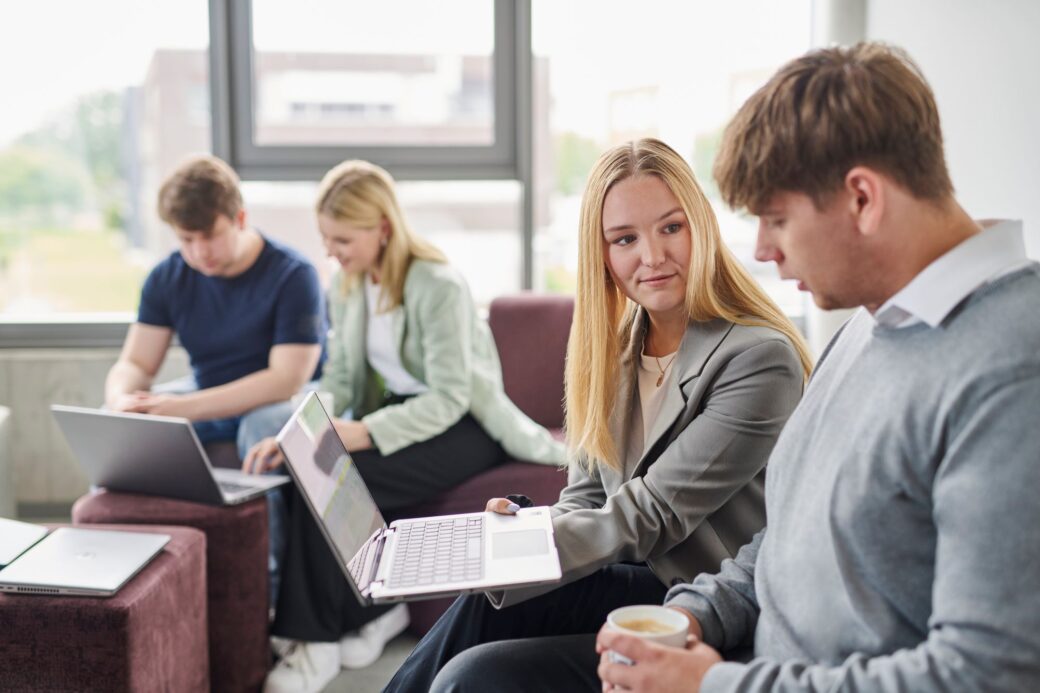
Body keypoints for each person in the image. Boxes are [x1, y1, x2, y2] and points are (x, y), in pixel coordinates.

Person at [591, 42, 1040, 693]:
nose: (762, 249)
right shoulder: (873, 321)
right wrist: (695, 613)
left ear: (862, 198)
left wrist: (713, 686)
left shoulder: (1010, 369)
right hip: (751, 658)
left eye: (777, 218)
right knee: (481, 674)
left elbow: (985, 674)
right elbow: (791, 533)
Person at [385, 138, 812, 693]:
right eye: (625, 239)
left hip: (703, 602)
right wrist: (520, 533)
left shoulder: (757, 359)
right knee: (482, 615)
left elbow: (652, 513)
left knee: (471, 671)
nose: (652, 257)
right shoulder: (610, 352)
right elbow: (585, 498)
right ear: (603, 254)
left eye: (671, 228)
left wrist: (509, 556)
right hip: (634, 579)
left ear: (701, 227)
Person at [242, 160, 568, 693]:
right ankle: (367, 616)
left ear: (383, 229)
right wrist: (307, 427)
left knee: (337, 476)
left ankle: (317, 646)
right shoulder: (347, 285)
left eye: (343, 239)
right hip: (397, 414)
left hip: (462, 422)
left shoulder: (437, 284)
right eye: (326, 239)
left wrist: (362, 433)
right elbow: (342, 377)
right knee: (309, 466)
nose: (332, 251)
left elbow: (449, 396)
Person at [105, 154, 325, 456]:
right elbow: (136, 364)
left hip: (282, 401)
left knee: (261, 425)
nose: (199, 251)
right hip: (206, 393)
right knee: (116, 420)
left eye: (209, 236)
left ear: (240, 219)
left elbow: (285, 381)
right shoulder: (166, 278)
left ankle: (271, 506)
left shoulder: (294, 275)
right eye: (186, 239)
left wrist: (184, 408)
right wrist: (120, 401)